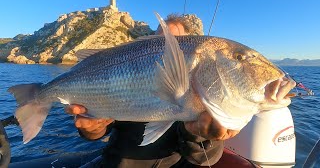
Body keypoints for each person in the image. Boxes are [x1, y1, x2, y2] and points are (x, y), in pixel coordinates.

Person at [65, 14, 294, 167]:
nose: (166, 54)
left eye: (177, 47)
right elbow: (96, 132)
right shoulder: (127, 72)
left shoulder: (209, 97)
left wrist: (203, 136)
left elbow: (203, 159)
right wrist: (92, 129)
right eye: (159, 42)